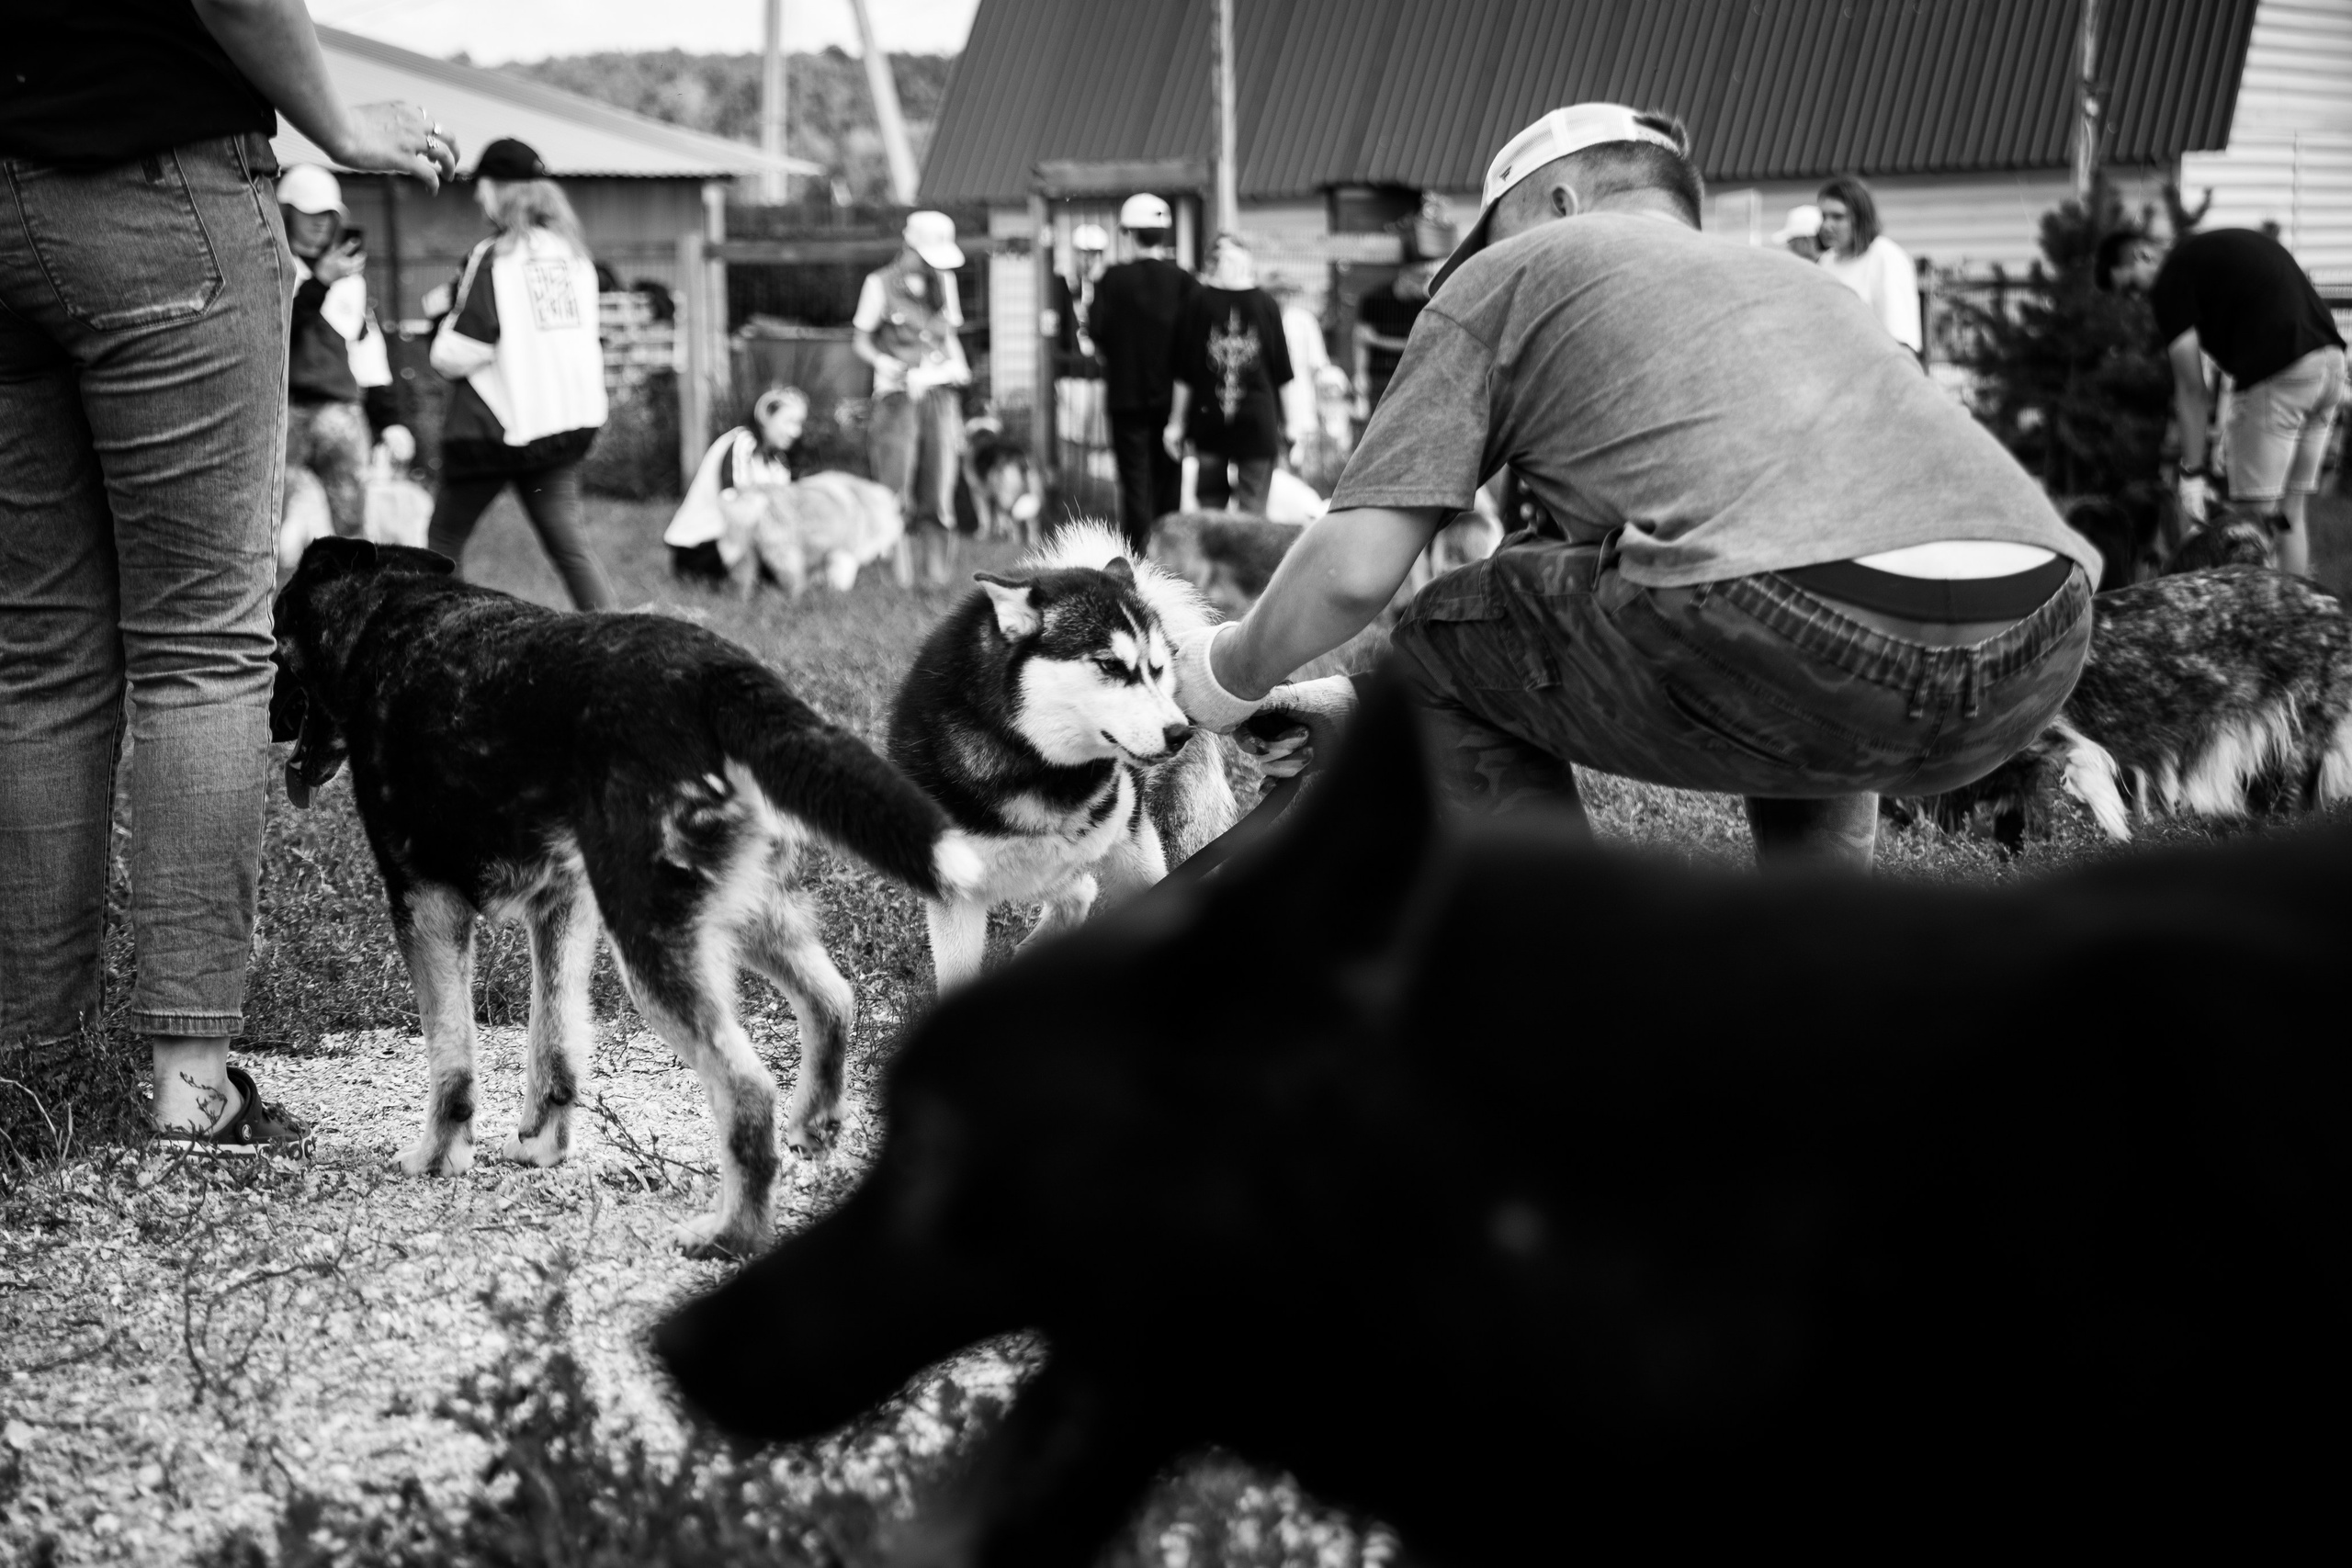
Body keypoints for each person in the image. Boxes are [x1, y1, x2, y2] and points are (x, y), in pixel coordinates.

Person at [1166, 103, 2101, 871]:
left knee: (1438, 638)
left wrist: (1220, 680)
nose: (1479, 263)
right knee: (1793, 564)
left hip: (1799, 625)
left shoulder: (1524, 268)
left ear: (1561, 201)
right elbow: (1559, 579)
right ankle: (1808, 964)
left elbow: (1353, 574)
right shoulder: (1801, 286)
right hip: (2036, 636)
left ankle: (1581, 982)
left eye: (1488, 238)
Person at [3, 0, 455, 1145]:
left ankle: (30, 1075)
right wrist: (339, 121)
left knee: (40, 659)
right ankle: (191, 1088)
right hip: (156, 193)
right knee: (200, 646)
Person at [425, 137, 614, 610]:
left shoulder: (496, 256)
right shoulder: (574, 255)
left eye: (482, 186)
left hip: (495, 428)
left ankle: (441, 642)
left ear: (501, 190)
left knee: (442, 543)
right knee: (570, 547)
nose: (476, 196)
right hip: (562, 424)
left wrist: (438, 325)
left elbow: (461, 349)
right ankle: (622, 642)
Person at [2099, 225, 2346, 577]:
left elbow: (2191, 388)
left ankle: (2259, 627)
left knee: (2250, 529)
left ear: (2142, 255)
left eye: (2132, 287)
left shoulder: (2171, 278)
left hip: (2279, 374)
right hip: (2330, 366)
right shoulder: (2212, 251)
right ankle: (2295, 623)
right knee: (2289, 515)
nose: (2138, 299)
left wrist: (2192, 473)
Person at [854, 209, 970, 586]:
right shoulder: (878, 284)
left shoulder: (945, 282)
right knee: (894, 490)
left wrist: (950, 369)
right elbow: (861, 341)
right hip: (896, 400)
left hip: (939, 397)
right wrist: (884, 363)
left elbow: (948, 336)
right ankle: (896, 582)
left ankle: (935, 580)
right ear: (909, 246)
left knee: (938, 490)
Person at [1089, 194, 1200, 552]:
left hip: (1126, 398)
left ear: (1128, 233)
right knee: (1169, 481)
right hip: (1174, 402)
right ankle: (1169, 560)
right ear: (1163, 233)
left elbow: (1097, 333)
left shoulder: (1111, 280)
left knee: (1134, 483)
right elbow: (1193, 343)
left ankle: (1136, 559)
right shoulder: (1184, 281)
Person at [276, 164, 378, 539]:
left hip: (340, 409)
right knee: (269, 522)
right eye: (311, 213)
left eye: (329, 215)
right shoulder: (273, 265)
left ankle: (353, 596)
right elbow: (278, 329)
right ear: (286, 212)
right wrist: (320, 283)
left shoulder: (347, 273)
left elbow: (366, 345)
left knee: (352, 525)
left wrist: (391, 416)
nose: (321, 223)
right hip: (284, 410)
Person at [1167, 237, 1293, 514]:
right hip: (1257, 423)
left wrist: (1176, 423)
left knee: (1211, 511)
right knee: (1252, 514)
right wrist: (1292, 423)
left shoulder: (1197, 301)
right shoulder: (1266, 303)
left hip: (1209, 418)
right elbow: (1282, 371)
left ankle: (1217, 559)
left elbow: (1184, 373)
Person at [664, 385, 808, 584]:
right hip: (703, 546)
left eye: (799, 424)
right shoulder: (741, 442)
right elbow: (735, 505)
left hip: (746, 543)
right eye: (789, 422)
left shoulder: (779, 463)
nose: (795, 432)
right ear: (767, 415)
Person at [1815, 175, 1922, 355]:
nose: (1826, 225)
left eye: (1838, 217)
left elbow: (1901, 339)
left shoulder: (1884, 257)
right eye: (1824, 216)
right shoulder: (1826, 261)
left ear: (1860, 218)